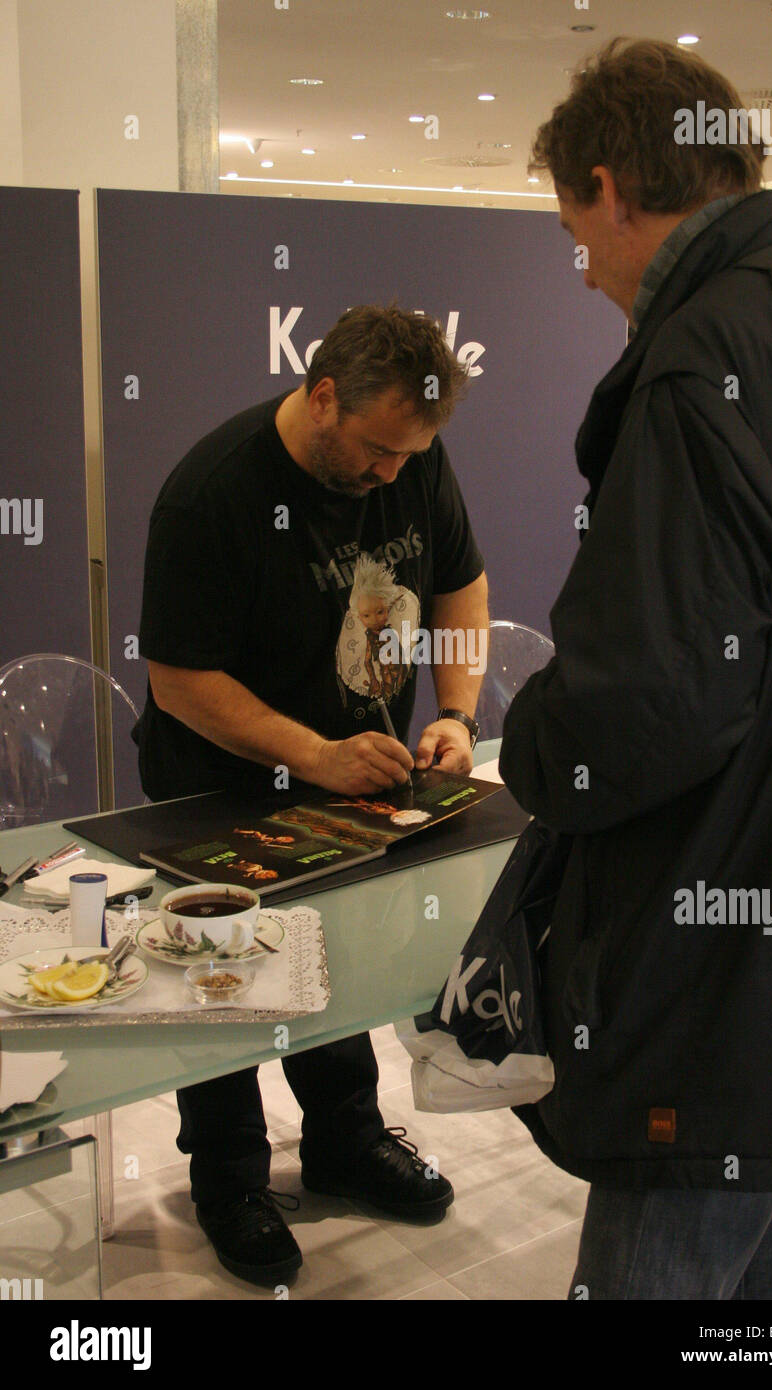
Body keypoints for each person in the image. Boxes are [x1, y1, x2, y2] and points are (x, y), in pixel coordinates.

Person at [499, 37, 772, 1300]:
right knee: (763, 1233)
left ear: (610, 185)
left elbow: (649, 702)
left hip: (711, 956)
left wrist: (534, 740)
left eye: (574, 226)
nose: (585, 265)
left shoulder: (696, 362)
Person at [134, 305, 488, 1287]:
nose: (388, 474)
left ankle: (343, 1138)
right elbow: (179, 680)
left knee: (338, 958)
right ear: (322, 393)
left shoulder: (411, 455)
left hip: (354, 775)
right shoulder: (212, 493)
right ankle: (229, 1180)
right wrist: (314, 755)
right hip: (217, 780)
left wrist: (455, 710)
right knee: (223, 985)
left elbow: (460, 582)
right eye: (375, 450)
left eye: (405, 456)